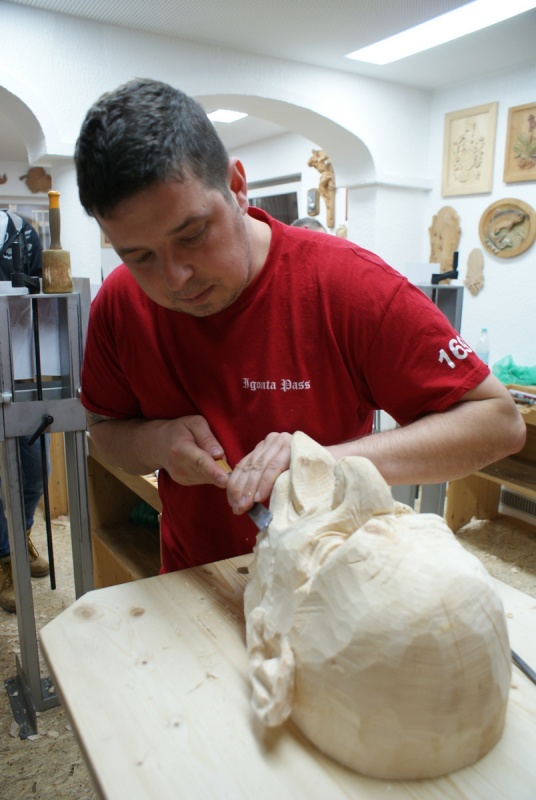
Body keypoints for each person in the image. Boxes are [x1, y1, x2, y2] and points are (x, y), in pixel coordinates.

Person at [74, 78, 526, 574]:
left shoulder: (348, 285)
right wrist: (154, 443)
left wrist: (323, 462)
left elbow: (497, 423)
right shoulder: (119, 302)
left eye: (193, 234)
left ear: (237, 187)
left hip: (330, 585)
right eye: (140, 256)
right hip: (194, 583)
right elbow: (106, 430)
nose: (174, 278)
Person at [0, 210, 49, 613]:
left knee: (35, 469)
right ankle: (4, 559)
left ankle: (21, 534)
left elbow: (41, 295)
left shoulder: (21, 232)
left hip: (19, 371)